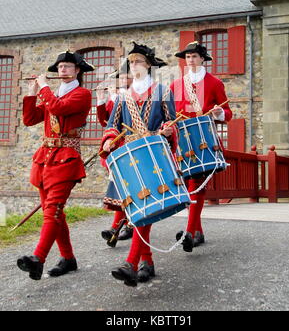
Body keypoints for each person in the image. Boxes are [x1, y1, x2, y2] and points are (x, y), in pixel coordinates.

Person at [99, 42, 178, 286]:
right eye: (131, 62)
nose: (134, 66)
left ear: (149, 65)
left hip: (153, 154)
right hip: (129, 156)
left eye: (139, 62)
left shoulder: (163, 92)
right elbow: (113, 125)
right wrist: (110, 140)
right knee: (138, 209)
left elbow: (171, 122)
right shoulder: (123, 97)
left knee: (146, 206)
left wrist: (168, 131)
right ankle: (147, 261)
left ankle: (132, 263)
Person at [17, 50, 93, 280]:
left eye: (68, 66)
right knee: (56, 214)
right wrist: (32, 93)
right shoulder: (54, 94)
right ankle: (68, 258)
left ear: (77, 71)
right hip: (44, 160)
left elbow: (59, 108)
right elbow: (30, 119)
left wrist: (43, 88)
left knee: (52, 211)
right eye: (60, 67)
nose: (63, 70)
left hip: (66, 159)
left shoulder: (82, 94)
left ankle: (37, 258)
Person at [170, 41, 232, 252]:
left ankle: (189, 231)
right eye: (188, 57)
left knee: (197, 183)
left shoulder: (214, 83)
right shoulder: (176, 85)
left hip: (205, 139)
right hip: (182, 140)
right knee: (189, 184)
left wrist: (218, 113)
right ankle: (198, 232)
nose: (191, 60)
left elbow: (228, 113)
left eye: (195, 56)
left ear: (202, 59)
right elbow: (170, 114)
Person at [96, 61, 134, 245]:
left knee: (127, 187)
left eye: (127, 76)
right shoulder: (117, 96)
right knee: (122, 187)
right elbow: (106, 122)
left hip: (132, 146)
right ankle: (120, 226)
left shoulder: (135, 95)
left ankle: (120, 226)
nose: (123, 80)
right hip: (117, 147)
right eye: (121, 77)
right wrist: (102, 100)